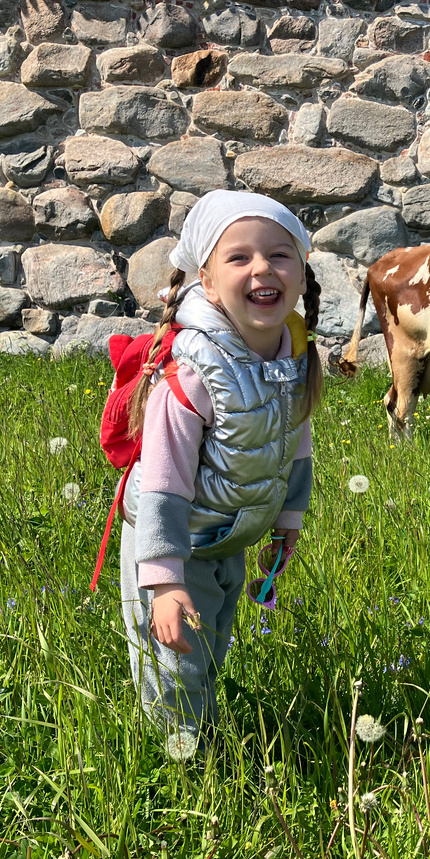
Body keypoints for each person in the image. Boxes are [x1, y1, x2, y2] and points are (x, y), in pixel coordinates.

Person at [119, 189, 322, 753]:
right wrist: (164, 582)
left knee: (210, 648)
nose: (263, 268)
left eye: (280, 254)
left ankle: (201, 739)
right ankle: (179, 765)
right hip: (170, 542)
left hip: (227, 534)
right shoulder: (193, 374)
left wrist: (287, 520)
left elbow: (293, 442)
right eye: (239, 257)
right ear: (206, 283)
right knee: (175, 662)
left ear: (302, 273)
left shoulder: (292, 357)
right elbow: (161, 486)